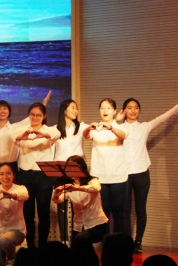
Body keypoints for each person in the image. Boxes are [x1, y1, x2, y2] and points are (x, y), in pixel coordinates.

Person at [115, 92, 178, 252]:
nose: (133, 110)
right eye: (129, 108)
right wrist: (116, 121)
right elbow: (107, 130)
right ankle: (127, 242)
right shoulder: (119, 128)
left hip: (142, 172)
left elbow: (164, 117)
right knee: (125, 210)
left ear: (139, 111)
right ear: (124, 110)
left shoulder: (145, 126)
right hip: (124, 173)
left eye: (136, 108)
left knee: (140, 208)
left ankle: (138, 241)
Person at [11, 102, 60, 248]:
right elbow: (14, 137)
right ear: (28, 115)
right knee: (28, 213)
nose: (35, 117)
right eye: (32, 114)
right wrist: (26, 135)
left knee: (44, 212)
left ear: (44, 116)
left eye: (38, 115)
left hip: (43, 175)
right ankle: (31, 246)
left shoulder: (50, 130)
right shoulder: (21, 130)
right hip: (25, 174)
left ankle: (43, 245)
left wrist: (41, 134)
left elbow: (56, 134)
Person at [83, 98, 129, 234]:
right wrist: (89, 128)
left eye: (108, 108)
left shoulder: (120, 127)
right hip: (99, 177)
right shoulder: (96, 128)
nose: (105, 110)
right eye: (102, 108)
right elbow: (86, 136)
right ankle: (104, 242)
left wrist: (111, 128)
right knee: (103, 214)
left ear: (114, 111)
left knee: (119, 213)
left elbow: (123, 135)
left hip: (118, 177)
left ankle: (118, 243)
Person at [52, 155, 109, 244]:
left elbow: (96, 188)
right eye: (68, 169)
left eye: (72, 168)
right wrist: (56, 193)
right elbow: (58, 200)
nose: (70, 172)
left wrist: (77, 188)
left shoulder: (92, 180)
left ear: (81, 168)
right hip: (78, 226)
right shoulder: (69, 185)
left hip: (97, 224)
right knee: (75, 245)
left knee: (81, 238)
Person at [53, 99, 86, 239]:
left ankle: (78, 239)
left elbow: (93, 130)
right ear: (64, 110)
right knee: (62, 207)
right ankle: (64, 240)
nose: (75, 111)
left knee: (77, 206)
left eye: (76, 108)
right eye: (73, 107)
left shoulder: (81, 127)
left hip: (76, 172)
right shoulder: (55, 129)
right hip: (59, 171)